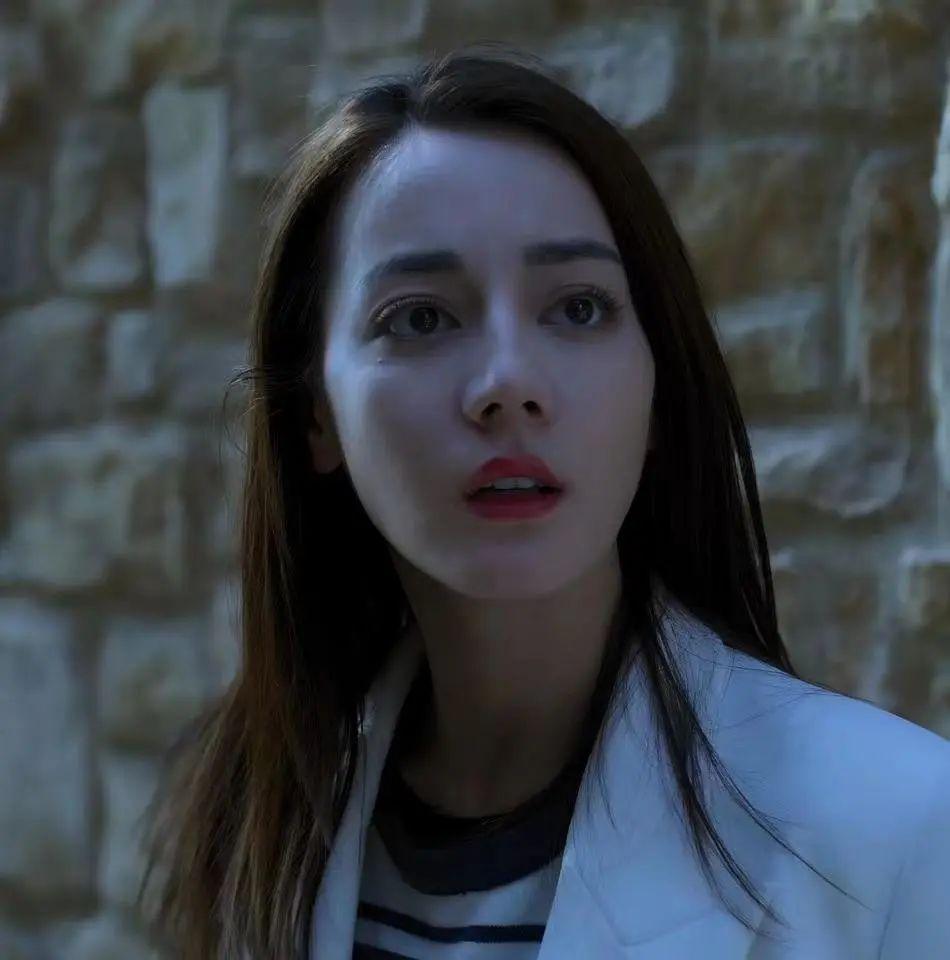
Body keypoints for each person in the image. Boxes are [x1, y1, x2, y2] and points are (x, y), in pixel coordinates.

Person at [139, 42, 950, 960]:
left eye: (577, 308)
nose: (509, 384)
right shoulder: (257, 826)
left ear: (657, 387)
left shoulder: (896, 833)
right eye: (421, 317)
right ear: (316, 414)